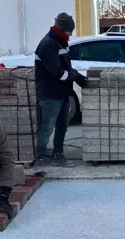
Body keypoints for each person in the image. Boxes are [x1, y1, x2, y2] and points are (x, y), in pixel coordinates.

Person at [33, 12, 88, 173]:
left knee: (63, 125)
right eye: (68, 31)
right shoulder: (48, 44)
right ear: (61, 29)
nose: (70, 34)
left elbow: (66, 66)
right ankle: (40, 159)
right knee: (47, 127)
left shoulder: (61, 42)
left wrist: (76, 76)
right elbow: (57, 72)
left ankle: (58, 156)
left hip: (63, 93)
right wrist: (73, 76)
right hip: (50, 94)